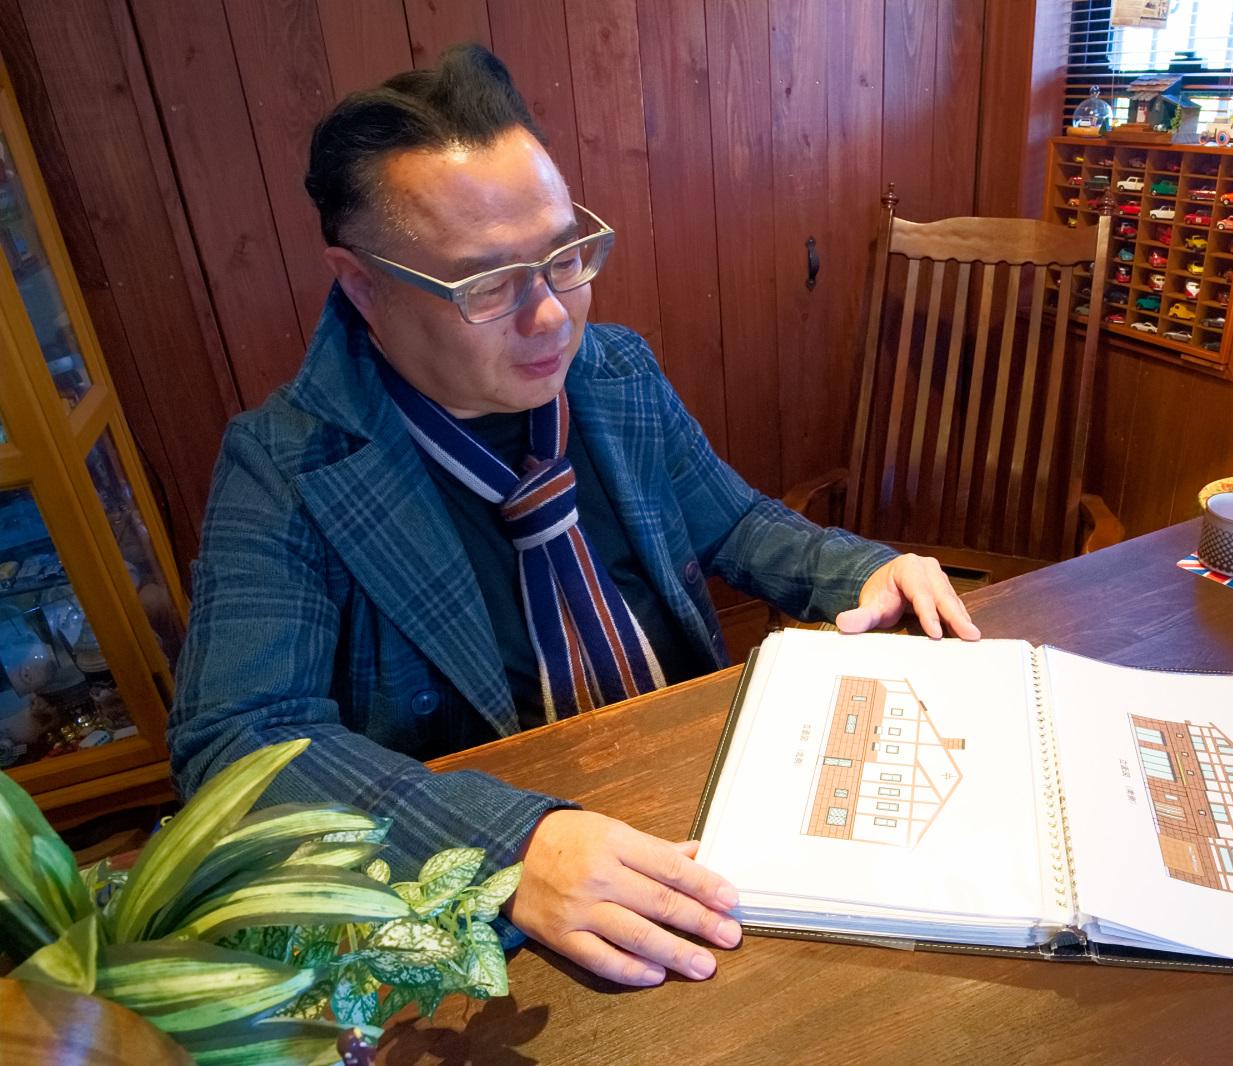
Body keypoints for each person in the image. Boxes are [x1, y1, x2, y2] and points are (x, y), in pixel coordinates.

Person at [168, 44, 978, 989]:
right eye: (485, 285)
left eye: (564, 256)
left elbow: (735, 524)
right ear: (362, 284)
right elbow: (238, 744)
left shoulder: (614, 371)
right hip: (500, 917)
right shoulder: (286, 464)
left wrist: (864, 572)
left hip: (699, 800)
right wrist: (510, 842)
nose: (552, 316)